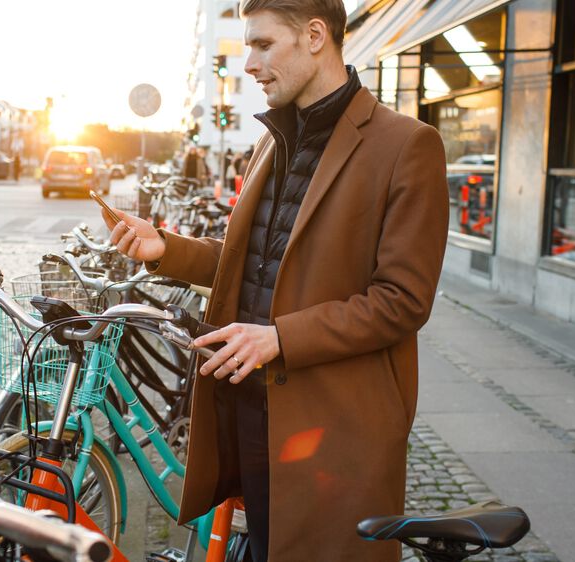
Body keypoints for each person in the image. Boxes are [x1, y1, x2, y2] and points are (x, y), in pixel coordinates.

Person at [102, 1, 448, 560]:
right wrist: (165, 248)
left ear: (315, 36)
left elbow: (402, 301)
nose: (249, 65)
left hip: (332, 429)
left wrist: (280, 337)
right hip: (252, 412)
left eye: (263, 45)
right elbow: (252, 261)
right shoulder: (270, 140)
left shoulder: (406, 145)